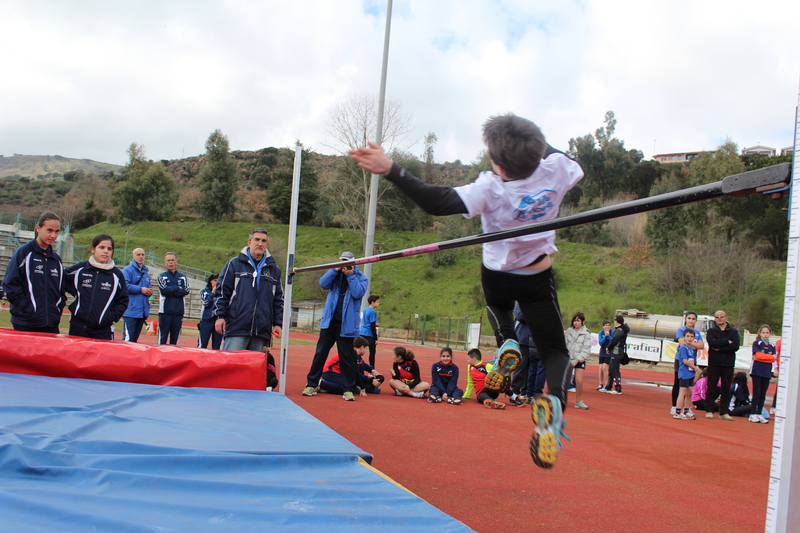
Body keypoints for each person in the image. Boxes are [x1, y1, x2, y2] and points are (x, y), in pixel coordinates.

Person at [350, 113, 583, 468]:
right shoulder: (557, 169)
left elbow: (435, 201)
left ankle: (506, 338)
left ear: (496, 162)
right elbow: (569, 161)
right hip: (536, 276)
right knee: (555, 351)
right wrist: (537, 144)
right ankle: (554, 407)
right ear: (537, 151)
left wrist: (390, 169)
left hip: (498, 275)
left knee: (500, 306)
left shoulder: (490, 187)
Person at [302, 251, 368, 402]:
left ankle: (348, 389)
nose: (344, 265)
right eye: (342, 261)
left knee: (347, 359)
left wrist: (350, 275)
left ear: (353, 263)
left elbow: (358, 293)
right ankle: (311, 384)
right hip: (329, 322)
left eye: (347, 262)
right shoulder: (334, 274)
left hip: (347, 326)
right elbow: (323, 283)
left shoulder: (360, 278)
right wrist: (335, 269)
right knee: (320, 354)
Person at [214, 229, 284, 352]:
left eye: (264, 241)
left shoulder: (274, 270)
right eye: (256, 239)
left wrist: (278, 323)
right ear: (249, 242)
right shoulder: (234, 264)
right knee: (232, 367)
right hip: (237, 327)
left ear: (267, 245)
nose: (260, 243)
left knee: (254, 369)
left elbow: (278, 300)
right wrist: (220, 316)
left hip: (261, 331)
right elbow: (222, 292)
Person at [2, 211, 65, 333]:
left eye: (57, 231)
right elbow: (10, 283)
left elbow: (60, 291)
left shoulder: (56, 260)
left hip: (51, 324)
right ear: (38, 228)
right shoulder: (23, 253)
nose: (53, 235)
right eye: (49, 230)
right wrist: (26, 308)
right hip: (25, 323)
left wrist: (57, 309)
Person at [64, 234, 129, 340]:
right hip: (77, 328)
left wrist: (110, 317)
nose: (106, 251)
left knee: (102, 357)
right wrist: (77, 292)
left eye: (109, 249)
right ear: (93, 249)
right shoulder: (81, 268)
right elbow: (62, 280)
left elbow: (123, 299)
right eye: (101, 247)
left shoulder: (117, 275)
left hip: (102, 331)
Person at [704, 310, 740, 421]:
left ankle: (724, 411)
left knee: (726, 388)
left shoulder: (733, 332)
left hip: (728, 364)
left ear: (726, 317)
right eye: (717, 316)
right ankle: (709, 410)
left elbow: (735, 346)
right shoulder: (711, 331)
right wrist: (726, 341)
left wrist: (720, 347)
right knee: (711, 387)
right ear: (715, 319)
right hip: (714, 363)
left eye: (722, 316)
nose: (719, 318)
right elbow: (712, 343)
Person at [671, 311, 705, 416]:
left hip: (692, 360)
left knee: (689, 386)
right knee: (678, 382)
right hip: (681, 359)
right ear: (685, 319)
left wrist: (692, 344)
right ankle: (675, 406)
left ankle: (686, 408)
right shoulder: (681, 330)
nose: (691, 321)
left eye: (693, 319)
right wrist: (694, 344)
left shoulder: (697, 333)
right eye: (689, 318)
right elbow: (682, 343)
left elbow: (702, 346)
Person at [157, 252, 189, 345]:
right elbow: (164, 291)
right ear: (165, 263)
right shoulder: (161, 276)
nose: (170, 262)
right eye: (168, 260)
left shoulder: (183, 277)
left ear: (176, 262)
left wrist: (170, 291)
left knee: (174, 340)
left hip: (178, 312)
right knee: (162, 338)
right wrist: (177, 288)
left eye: (172, 260)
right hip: (165, 312)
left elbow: (186, 290)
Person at [121, 248, 153, 342]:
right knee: (128, 340)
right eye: (138, 255)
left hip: (141, 312)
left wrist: (150, 293)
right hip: (130, 311)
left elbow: (149, 290)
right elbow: (124, 286)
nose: (141, 257)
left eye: (142, 254)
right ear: (133, 256)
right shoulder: (127, 270)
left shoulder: (146, 273)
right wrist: (141, 290)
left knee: (134, 341)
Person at [750, 325, 775, 424]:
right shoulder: (757, 343)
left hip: (766, 372)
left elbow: (774, 358)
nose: (765, 335)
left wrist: (767, 357)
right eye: (763, 333)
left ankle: (759, 413)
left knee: (762, 394)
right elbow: (758, 356)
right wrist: (769, 357)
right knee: (756, 393)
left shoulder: (772, 346)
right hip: (757, 371)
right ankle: (753, 413)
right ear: (760, 333)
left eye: (767, 333)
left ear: (770, 334)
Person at [565, 312, 591, 410]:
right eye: (575, 320)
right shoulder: (569, 331)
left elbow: (586, 349)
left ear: (582, 322)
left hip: (579, 360)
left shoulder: (586, 333)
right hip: (568, 359)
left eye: (578, 321)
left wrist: (577, 360)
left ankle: (579, 401)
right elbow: (565, 345)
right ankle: (561, 400)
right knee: (564, 381)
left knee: (579, 381)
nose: (576, 323)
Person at [674, 329, 699, 420]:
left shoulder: (691, 348)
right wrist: (694, 367)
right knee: (683, 392)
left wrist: (693, 368)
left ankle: (687, 410)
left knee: (690, 392)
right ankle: (678, 411)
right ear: (684, 337)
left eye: (691, 336)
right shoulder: (683, 347)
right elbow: (685, 361)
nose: (689, 338)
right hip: (684, 373)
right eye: (688, 336)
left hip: (690, 373)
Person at [602, 315, 629, 394]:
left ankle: (618, 388)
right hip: (617, 352)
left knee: (615, 370)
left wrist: (608, 347)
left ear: (617, 321)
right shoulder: (621, 330)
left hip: (617, 352)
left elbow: (614, 340)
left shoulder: (619, 330)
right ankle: (608, 386)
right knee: (611, 369)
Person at [198, 273, 222, 350]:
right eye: (215, 280)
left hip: (217, 321)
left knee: (217, 346)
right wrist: (212, 293)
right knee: (202, 344)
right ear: (210, 281)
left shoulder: (223, 293)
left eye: (219, 281)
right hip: (206, 321)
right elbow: (206, 302)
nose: (217, 282)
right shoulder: (204, 292)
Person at [359, 294, 380, 367]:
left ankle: (357, 365)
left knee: (359, 350)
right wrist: (375, 338)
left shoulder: (365, 310)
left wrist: (375, 324)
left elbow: (367, 321)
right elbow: (371, 325)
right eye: (377, 302)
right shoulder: (372, 312)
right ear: (372, 302)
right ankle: (372, 369)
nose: (378, 303)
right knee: (372, 352)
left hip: (362, 332)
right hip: (369, 334)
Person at [597, 320, 613, 390]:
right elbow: (601, 342)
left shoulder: (612, 332)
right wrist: (605, 336)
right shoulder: (601, 333)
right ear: (603, 326)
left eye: (608, 325)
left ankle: (607, 384)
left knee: (605, 367)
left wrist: (608, 335)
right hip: (602, 352)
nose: (607, 327)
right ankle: (601, 384)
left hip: (608, 353)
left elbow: (613, 341)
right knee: (600, 368)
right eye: (606, 325)